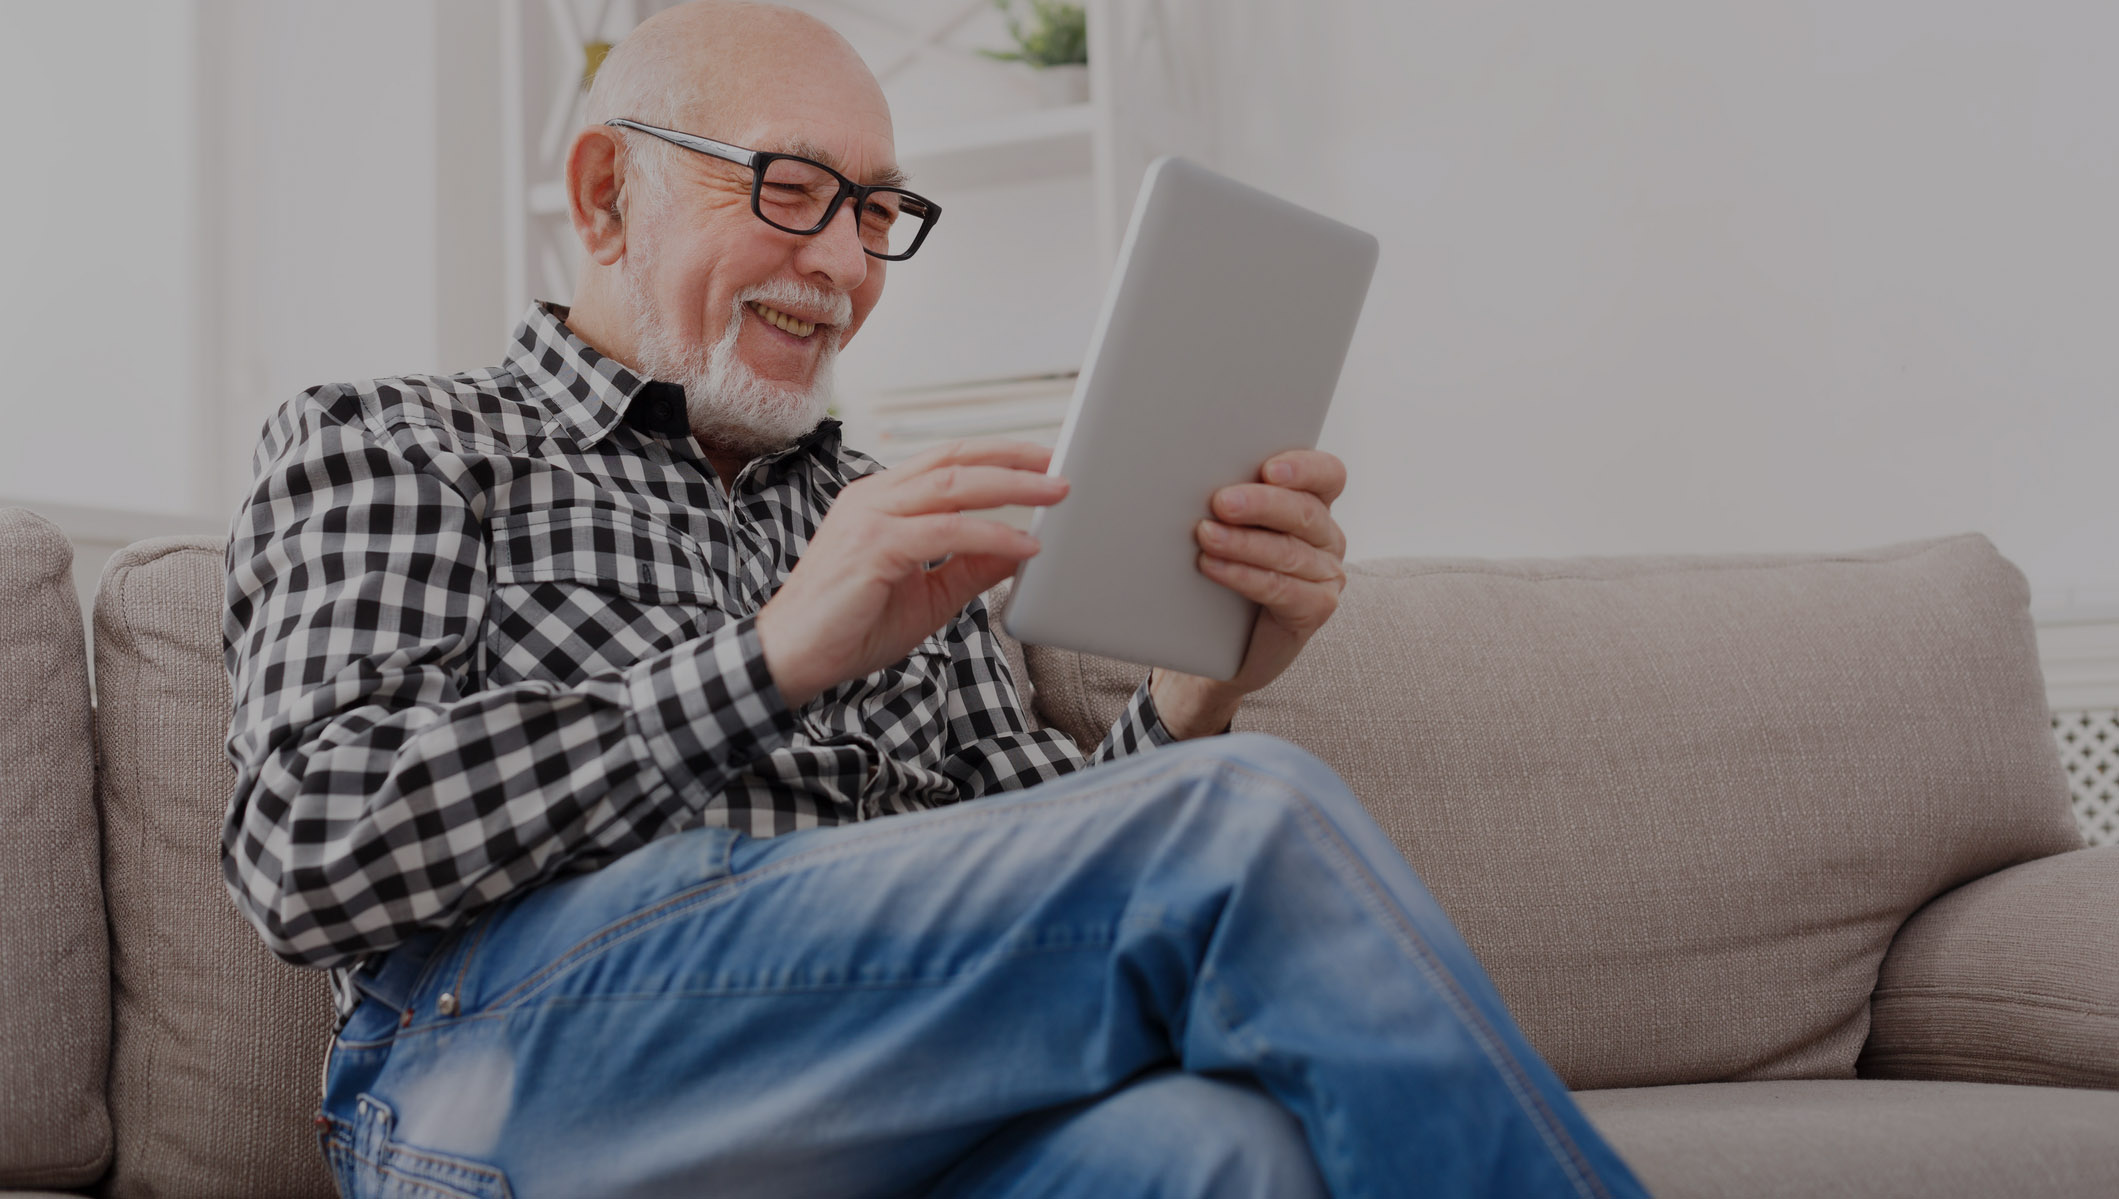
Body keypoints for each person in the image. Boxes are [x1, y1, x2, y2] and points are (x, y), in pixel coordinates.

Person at [220, 3, 1647, 1195]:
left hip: (873, 1081)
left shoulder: (905, 522)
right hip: (503, 1073)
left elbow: (1035, 869)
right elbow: (305, 846)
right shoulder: (397, 440)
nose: (842, 264)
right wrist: (769, 658)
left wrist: (1194, 690)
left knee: (1220, 1150)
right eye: (791, 189)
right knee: (1251, 814)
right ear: (607, 195)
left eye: (880, 212)